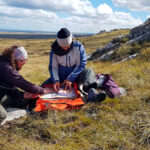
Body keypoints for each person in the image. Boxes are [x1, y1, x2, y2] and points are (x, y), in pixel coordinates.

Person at [42, 28, 106, 102]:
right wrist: (56, 80)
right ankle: (30, 99)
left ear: (71, 40)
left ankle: (92, 93)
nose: (65, 48)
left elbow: (81, 65)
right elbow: (53, 67)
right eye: (62, 47)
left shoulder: (78, 47)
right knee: (42, 87)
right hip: (60, 78)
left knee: (89, 71)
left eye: (67, 46)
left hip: (76, 76)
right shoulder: (54, 49)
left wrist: (70, 79)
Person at [0, 45, 52, 122]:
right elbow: (20, 81)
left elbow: (7, 86)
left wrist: (22, 94)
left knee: (23, 100)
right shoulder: (5, 67)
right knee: (2, 115)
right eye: (21, 61)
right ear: (14, 59)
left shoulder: (8, 63)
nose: (24, 63)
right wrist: (43, 90)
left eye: (25, 60)